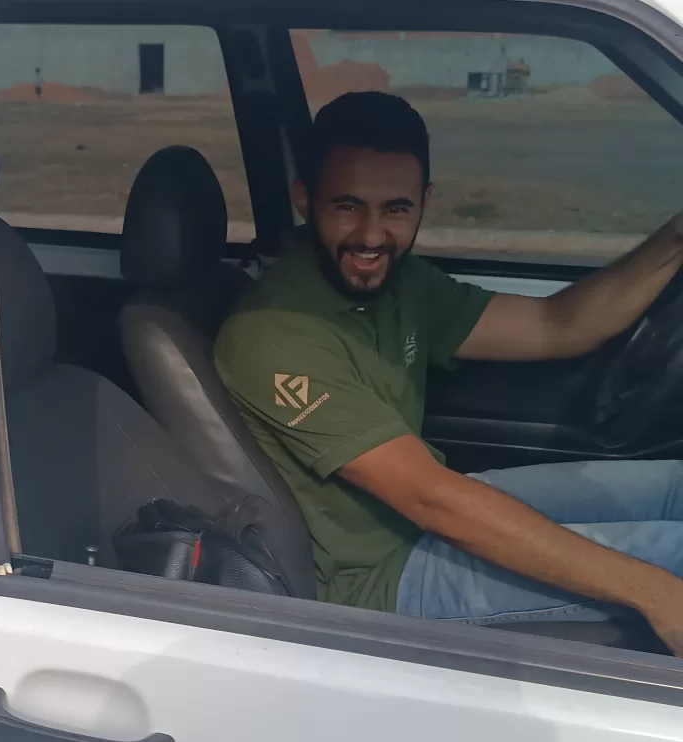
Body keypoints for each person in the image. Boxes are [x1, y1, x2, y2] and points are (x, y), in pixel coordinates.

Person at [214, 90, 683, 654]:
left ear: (425, 201)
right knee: (670, 561)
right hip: (381, 577)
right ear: (304, 198)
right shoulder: (272, 335)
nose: (371, 236)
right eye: (347, 207)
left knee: (673, 488)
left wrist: (675, 237)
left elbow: (559, 325)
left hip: (424, 518)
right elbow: (431, 497)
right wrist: (653, 591)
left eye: (396, 209)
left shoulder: (403, 284)